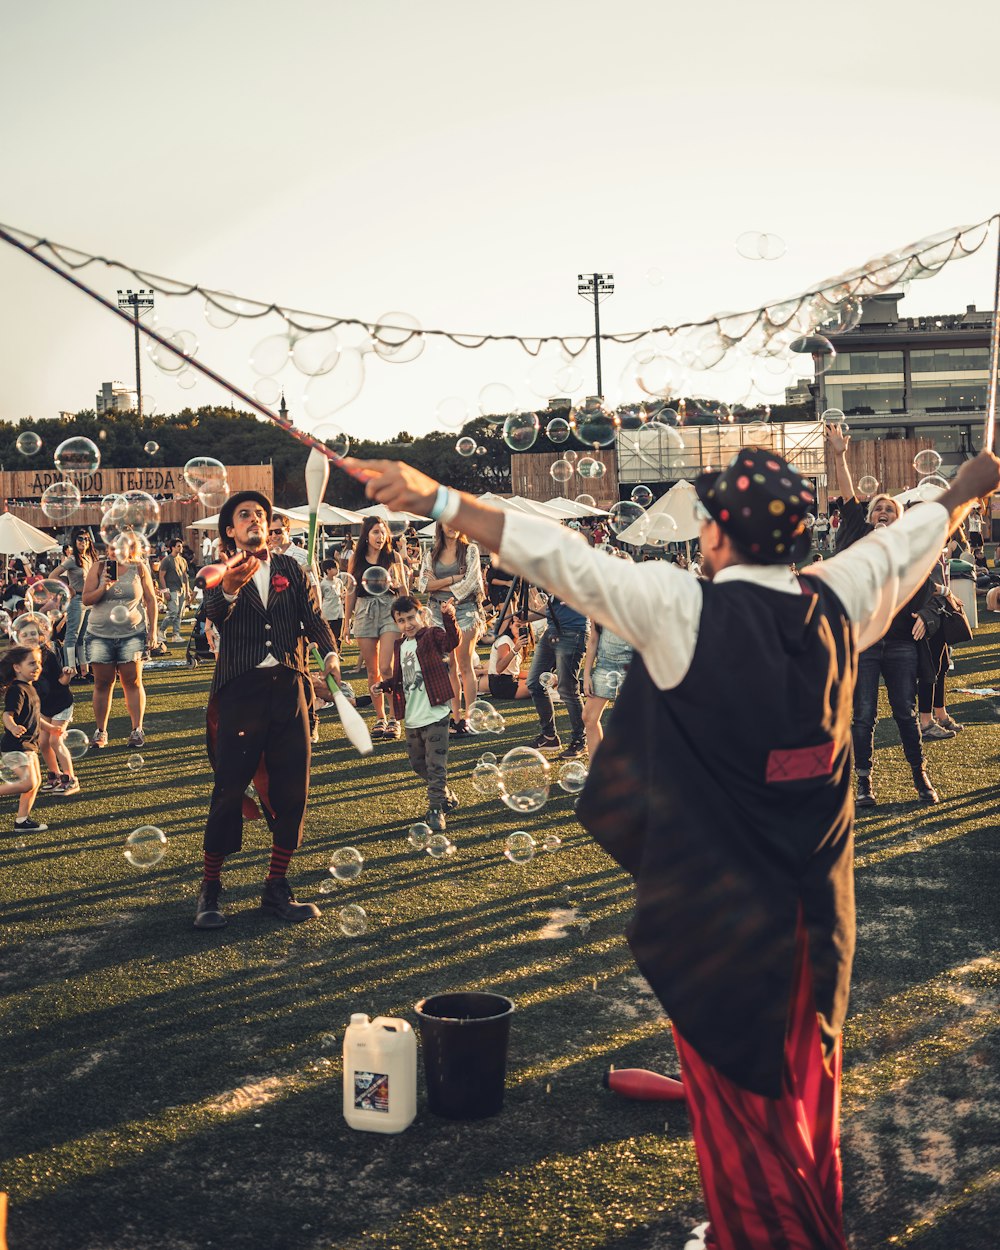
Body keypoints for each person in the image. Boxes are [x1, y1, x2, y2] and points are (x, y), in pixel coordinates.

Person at [345, 444, 1000, 1250]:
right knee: (802, 1099)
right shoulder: (842, 593)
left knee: (743, 1123)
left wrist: (433, 495)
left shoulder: (680, 606)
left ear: (718, 536)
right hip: (818, 919)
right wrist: (968, 487)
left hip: (716, 930)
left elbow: (557, 557)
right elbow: (920, 531)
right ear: (798, 537)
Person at [193, 491, 341, 931]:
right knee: (228, 789)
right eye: (245, 515)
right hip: (241, 692)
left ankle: (276, 887)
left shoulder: (291, 569)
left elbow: (313, 621)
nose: (255, 519)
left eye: (261, 514)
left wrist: (330, 654)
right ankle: (210, 889)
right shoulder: (221, 573)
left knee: (293, 789)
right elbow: (212, 615)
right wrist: (231, 588)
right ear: (231, 531)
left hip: (290, 688)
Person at [827, 423, 940, 806]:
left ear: (899, 517)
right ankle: (864, 784)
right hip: (864, 643)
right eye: (877, 509)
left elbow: (932, 594)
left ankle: (919, 777)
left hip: (902, 642)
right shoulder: (856, 540)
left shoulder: (909, 551)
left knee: (906, 714)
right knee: (863, 716)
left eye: (890, 509)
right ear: (868, 517)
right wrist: (839, 454)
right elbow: (847, 497)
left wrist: (927, 614)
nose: (883, 513)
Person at [375, 594, 460, 832]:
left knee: (435, 765)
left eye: (411, 617)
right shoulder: (400, 645)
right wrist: (383, 686)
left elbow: (452, 641)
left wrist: (448, 616)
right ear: (396, 623)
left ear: (421, 615)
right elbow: (402, 680)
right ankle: (446, 795)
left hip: (436, 714)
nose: (408, 624)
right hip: (412, 717)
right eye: (401, 620)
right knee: (417, 763)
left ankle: (435, 810)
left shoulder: (432, 635)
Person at [81, 540, 159, 749]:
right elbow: (87, 600)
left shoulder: (139, 568)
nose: (114, 551)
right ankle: (101, 732)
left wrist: (152, 631)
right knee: (102, 683)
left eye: (119, 547)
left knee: (132, 682)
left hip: (131, 634)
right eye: (111, 547)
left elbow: (151, 600)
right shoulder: (98, 568)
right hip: (99, 634)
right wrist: (104, 586)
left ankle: (136, 730)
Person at [416, 523, 485, 735]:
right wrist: (453, 578)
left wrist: (439, 584)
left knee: (465, 665)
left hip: (464, 611)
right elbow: (422, 585)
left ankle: (470, 718)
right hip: (437, 614)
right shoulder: (431, 553)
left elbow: (470, 584)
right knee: (449, 667)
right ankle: (456, 719)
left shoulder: (470, 551)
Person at [345, 517, 407, 740]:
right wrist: (345, 624)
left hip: (389, 610)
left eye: (383, 532)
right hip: (364, 612)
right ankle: (380, 718)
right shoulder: (357, 558)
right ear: (366, 536)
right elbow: (351, 592)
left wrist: (407, 616)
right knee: (372, 671)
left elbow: (404, 592)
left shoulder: (393, 557)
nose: (380, 537)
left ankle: (394, 717)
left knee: (387, 668)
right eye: (375, 532)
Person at [521, 583, 589, 760]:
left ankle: (580, 741)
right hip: (552, 630)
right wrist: (525, 618)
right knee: (534, 683)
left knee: (567, 689)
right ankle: (549, 736)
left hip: (573, 631)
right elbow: (552, 605)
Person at [0, 644, 46, 832]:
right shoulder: (17, 690)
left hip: (29, 746)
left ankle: (22, 821)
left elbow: (35, 717)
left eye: (39, 663)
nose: (37, 667)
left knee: (34, 784)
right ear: (17, 667)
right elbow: (7, 714)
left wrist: (53, 728)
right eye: (32, 663)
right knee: (29, 782)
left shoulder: (30, 688)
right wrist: (12, 727)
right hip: (15, 746)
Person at [34, 621, 80, 796]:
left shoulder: (49, 655)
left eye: (34, 634)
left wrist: (68, 675)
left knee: (54, 741)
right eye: (26, 634)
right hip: (44, 706)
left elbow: (60, 681)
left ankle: (71, 778)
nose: (31, 637)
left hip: (61, 703)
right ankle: (55, 775)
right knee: (43, 743)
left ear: (42, 636)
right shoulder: (21, 659)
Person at [581, 619, 634, 759]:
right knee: (589, 716)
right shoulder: (598, 601)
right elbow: (593, 638)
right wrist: (586, 675)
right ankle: (596, 773)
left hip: (632, 664)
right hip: (605, 664)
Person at [52, 527, 97, 676]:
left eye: (86, 539)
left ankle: (85, 671)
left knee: (83, 637)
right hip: (77, 600)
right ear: (74, 541)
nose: (83, 542)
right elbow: (53, 575)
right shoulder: (72, 559)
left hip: (89, 600)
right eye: (80, 539)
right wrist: (67, 587)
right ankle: (71, 671)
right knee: (72, 636)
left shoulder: (90, 558)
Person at [478, 607, 529, 700]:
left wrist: (533, 674)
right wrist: (515, 649)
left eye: (524, 627)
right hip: (502, 686)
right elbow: (499, 669)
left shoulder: (515, 641)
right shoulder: (505, 641)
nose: (520, 630)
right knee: (540, 684)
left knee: (543, 679)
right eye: (517, 626)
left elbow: (513, 672)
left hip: (510, 681)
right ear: (510, 625)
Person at [158, 538, 192, 642]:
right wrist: (165, 591)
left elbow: (185, 577)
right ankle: (161, 631)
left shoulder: (183, 560)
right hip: (171, 589)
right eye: (178, 546)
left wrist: (187, 591)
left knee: (179, 614)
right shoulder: (167, 560)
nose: (181, 548)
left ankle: (176, 635)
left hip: (181, 589)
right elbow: (161, 576)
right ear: (172, 547)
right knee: (173, 612)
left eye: (181, 546)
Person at [319, 559, 345, 652]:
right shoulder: (323, 584)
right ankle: (329, 651)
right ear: (328, 570)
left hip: (339, 611)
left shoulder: (339, 581)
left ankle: (337, 652)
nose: (337, 570)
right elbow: (320, 598)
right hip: (328, 612)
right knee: (330, 634)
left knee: (338, 634)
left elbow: (342, 593)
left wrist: (343, 596)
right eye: (335, 568)